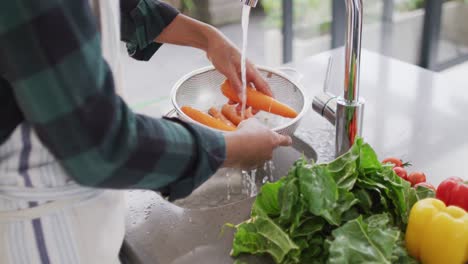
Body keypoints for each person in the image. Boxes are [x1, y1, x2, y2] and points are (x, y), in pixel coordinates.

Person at [0, 0, 292, 263]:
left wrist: (206, 37)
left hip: (77, 202)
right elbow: (100, 146)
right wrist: (228, 148)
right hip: (40, 229)